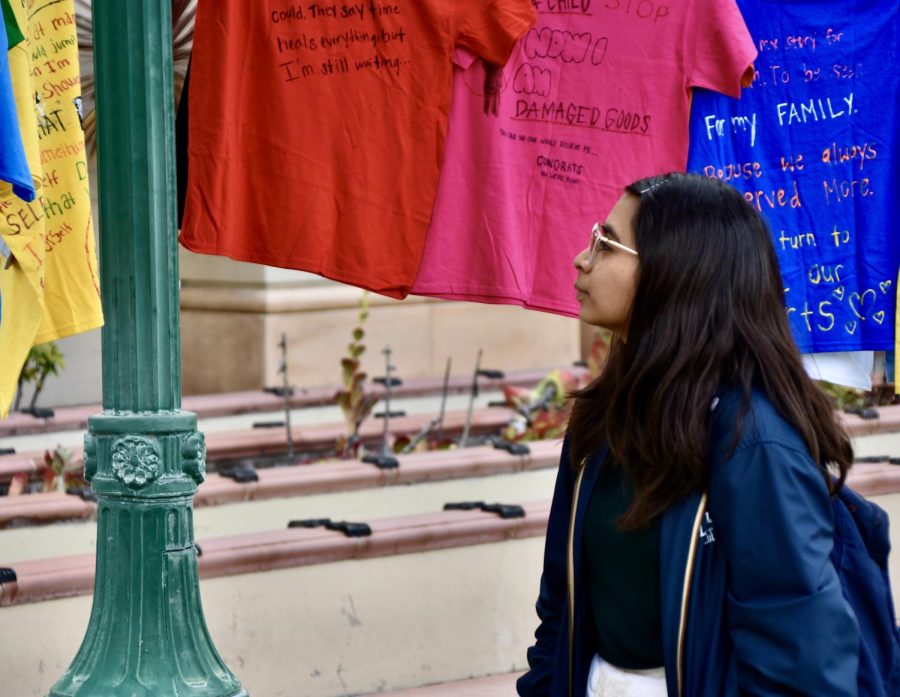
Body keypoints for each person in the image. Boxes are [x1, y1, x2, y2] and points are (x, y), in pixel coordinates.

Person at [517, 172, 860, 697]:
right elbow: (559, 612)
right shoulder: (601, 419)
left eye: (605, 244)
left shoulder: (754, 443)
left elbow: (801, 660)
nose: (582, 260)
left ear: (674, 271)